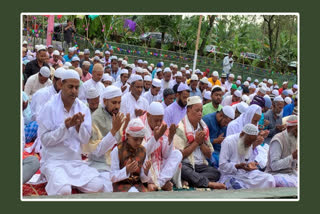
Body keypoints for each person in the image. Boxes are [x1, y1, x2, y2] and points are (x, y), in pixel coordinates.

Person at [37, 69, 111, 195]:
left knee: (97, 185)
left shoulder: (83, 109)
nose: (74, 91)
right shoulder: (49, 107)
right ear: (61, 85)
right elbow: (44, 140)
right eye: (70, 87)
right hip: (54, 161)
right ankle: (56, 180)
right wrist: (65, 127)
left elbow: (85, 140)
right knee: (64, 191)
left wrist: (78, 127)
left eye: (77, 87)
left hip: (75, 162)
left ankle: (64, 181)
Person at [173, 96, 226, 189]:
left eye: (201, 111)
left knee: (216, 173)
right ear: (188, 110)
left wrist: (201, 143)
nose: (200, 114)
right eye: (197, 111)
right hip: (186, 164)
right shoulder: (180, 128)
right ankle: (207, 183)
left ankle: (192, 180)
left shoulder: (203, 128)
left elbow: (209, 154)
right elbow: (179, 155)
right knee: (181, 169)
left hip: (200, 166)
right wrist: (196, 142)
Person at [140, 102, 183, 191]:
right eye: (156, 120)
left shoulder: (163, 125)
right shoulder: (140, 125)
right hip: (145, 165)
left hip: (158, 163)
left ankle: (159, 183)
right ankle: (154, 183)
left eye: (161, 119)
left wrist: (170, 138)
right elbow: (141, 152)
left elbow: (166, 154)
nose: (159, 123)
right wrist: (155, 138)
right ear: (148, 115)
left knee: (177, 154)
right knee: (143, 159)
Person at [219, 124, 275, 189]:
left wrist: (250, 164)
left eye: (252, 142)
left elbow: (248, 161)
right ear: (242, 134)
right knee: (236, 185)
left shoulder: (250, 143)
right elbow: (222, 165)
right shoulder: (228, 141)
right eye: (249, 141)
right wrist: (237, 166)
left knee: (269, 179)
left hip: (245, 174)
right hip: (230, 175)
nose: (250, 144)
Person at [111, 118, 152, 192]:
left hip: (138, 186)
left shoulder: (142, 151)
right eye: (135, 139)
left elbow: (143, 179)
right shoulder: (117, 150)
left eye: (141, 139)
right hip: (121, 186)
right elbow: (112, 177)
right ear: (128, 135)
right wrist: (126, 170)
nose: (139, 143)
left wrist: (146, 172)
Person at [266, 115, 298, 187]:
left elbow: (293, 166)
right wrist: (292, 157)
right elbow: (274, 166)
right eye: (296, 130)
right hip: (275, 174)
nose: (298, 133)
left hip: (290, 173)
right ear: (288, 128)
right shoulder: (278, 140)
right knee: (293, 185)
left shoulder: (294, 138)